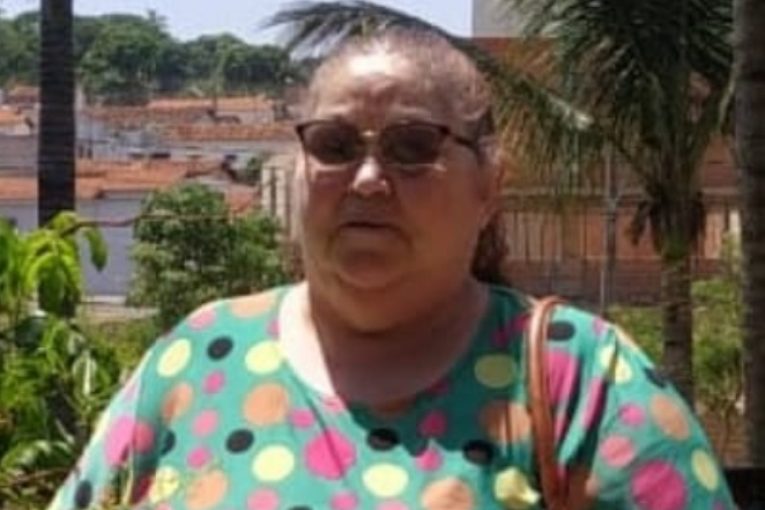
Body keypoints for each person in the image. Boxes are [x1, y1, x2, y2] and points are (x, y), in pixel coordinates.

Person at [49, 28, 735, 510]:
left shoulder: (585, 383)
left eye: (413, 147)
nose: (368, 179)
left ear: (489, 185)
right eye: (334, 145)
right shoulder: (197, 359)